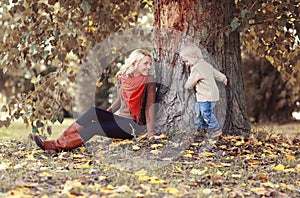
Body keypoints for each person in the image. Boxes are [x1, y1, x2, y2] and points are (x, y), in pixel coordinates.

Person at [34, 49, 156, 152]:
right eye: (145, 63)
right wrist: (104, 116)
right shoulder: (122, 78)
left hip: (133, 125)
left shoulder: (149, 80)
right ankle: (59, 142)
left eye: (150, 64)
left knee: (95, 127)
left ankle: (56, 146)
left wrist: (150, 133)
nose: (149, 67)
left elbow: (149, 108)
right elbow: (120, 101)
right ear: (135, 63)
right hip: (120, 120)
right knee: (93, 112)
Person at [179, 44, 227, 138]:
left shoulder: (196, 68)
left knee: (206, 114)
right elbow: (216, 74)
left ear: (195, 57)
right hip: (207, 96)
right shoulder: (207, 65)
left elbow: (191, 81)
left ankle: (216, 129)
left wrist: (186, 86)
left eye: (187, 61)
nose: (186, 64)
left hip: (206, 96)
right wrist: (223, 78)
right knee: (200, 113)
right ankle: (201, 130)